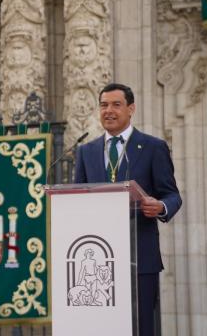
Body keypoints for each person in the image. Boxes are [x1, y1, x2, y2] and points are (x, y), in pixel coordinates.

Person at [74, 83, 182, 336]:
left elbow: (172, 194)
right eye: (103, 105)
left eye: (116, 104)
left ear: (131, 109)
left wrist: (161, 206)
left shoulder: (153, 147)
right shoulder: (85, 151)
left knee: (140, 327)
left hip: (140, 257)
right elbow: (78, 199)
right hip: (99, 259)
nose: (108, 111)